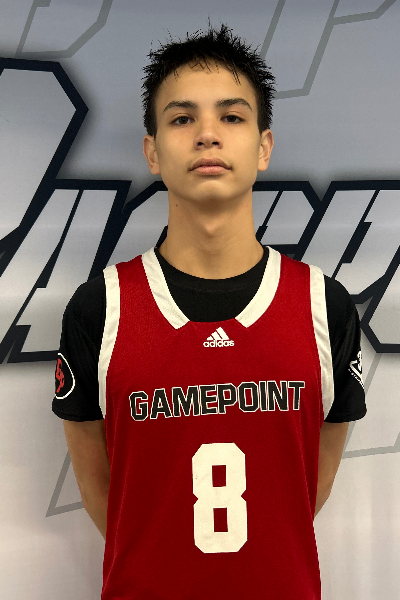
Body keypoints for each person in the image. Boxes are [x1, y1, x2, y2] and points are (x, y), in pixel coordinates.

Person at [52, 23, 366, 600]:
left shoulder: (324, 305)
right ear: (152, 151)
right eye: (181, 118)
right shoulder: (101, 307)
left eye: (231, 116)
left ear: (264, 146)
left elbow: (307, 486)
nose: (207, 135)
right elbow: (104, 492)